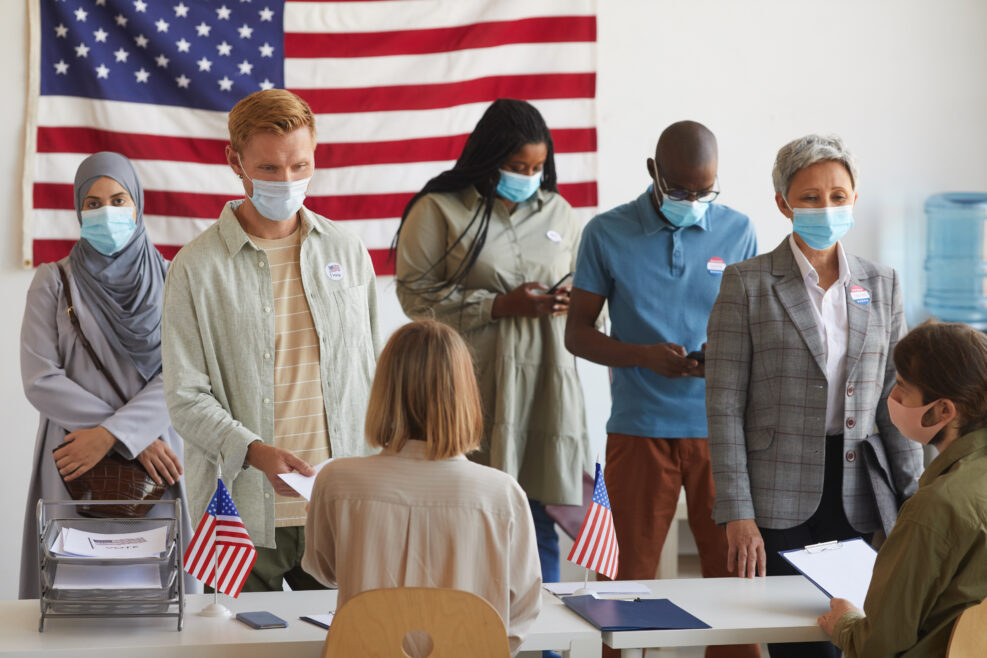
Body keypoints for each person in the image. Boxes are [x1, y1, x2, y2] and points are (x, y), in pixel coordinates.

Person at [706, 134, 924, 658]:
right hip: (777, 495)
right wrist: (738, 512)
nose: (826, 207)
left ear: (854, 197)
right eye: (809, 197)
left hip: (863, 492)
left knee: (863, 634)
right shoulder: (747, 284)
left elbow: (897, 401)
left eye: (837, 195)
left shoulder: (883, 283)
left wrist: (916, 495)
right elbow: (723, 406)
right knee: (803, 646)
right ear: (783, 203)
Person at [162, 89, 380, 592]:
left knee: (347, 645)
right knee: (232, 647)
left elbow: (373, 375)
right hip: (238, 512)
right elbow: (185, 398)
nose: (287, 181)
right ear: (234, 161)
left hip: (338, 506)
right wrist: (256, 452)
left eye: (299, 166)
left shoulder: (347, 252)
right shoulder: (196, 267)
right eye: (269, 169)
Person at [566, 121, 759, 658]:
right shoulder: (606, 233)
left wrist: (718, 360)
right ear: (653, 172)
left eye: (705, 191)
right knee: (624, 585)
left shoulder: (739, 231)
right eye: (680, 191)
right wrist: (641, 355)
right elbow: (576, 333)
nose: (693, 201)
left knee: (734, 583)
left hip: (721, 433)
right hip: (638, 430)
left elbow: (753, 331)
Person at [394, 98, 591, 587]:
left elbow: (596, 295)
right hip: (473, 386)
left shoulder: (560, 211)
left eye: (538, 167)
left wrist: (575, 301)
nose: (528, 176)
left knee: (536, 515)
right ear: (489, 159)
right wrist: (499, 306)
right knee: (467, 513)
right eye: (516, 166)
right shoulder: (439, 208)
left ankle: (538, 637)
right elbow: (414, 297)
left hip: (546, 389)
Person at [303, 320, 542, 655]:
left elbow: (326, 571)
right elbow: (521, 613)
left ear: (384, 391)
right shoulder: (502, 494)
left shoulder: (338, 482)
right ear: (466, 395)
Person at [19, 152, 193, 598]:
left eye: (118, 199)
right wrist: (114, 434)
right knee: (72, 586)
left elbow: (184, 371)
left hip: (155, 462)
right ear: (78, 209)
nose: (106, 213)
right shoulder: (53, 281)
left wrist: (116, 433)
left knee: (159, 587)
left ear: (137, 203)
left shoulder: (174, 279)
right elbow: (40, 377)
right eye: (93, 203)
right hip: (77, 458)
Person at [817, 321, 987, 657]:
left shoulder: (936, 507)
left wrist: (845, 623)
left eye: (903, 388)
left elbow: (879, 644)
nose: (891, 396)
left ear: (944, 410)